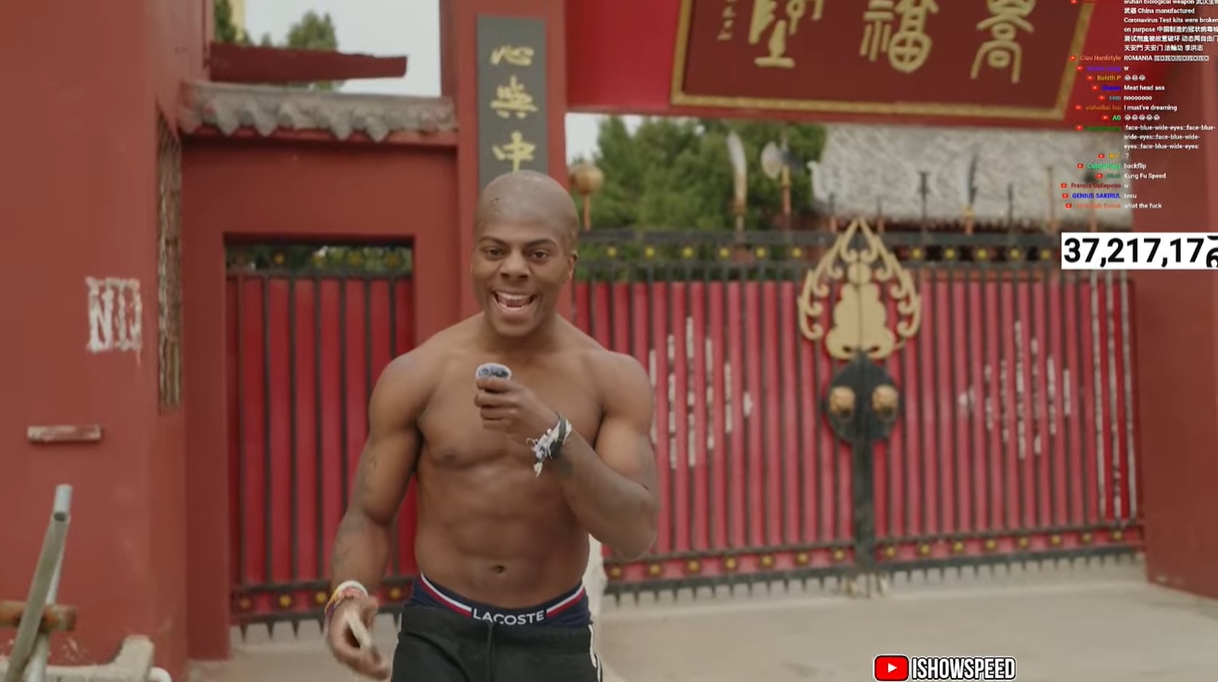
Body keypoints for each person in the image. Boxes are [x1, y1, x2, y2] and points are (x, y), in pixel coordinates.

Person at [322, 170, 661, 682]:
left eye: (538, 254)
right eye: (495, 251)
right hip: (438, 634)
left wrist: (555, 439)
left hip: (553, 637)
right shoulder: (418, 375)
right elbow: (368, 515)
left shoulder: (611, 380)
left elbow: (634, 534)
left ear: (569, 265)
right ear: (473, 258)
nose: (514, 269)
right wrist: (346, 597)